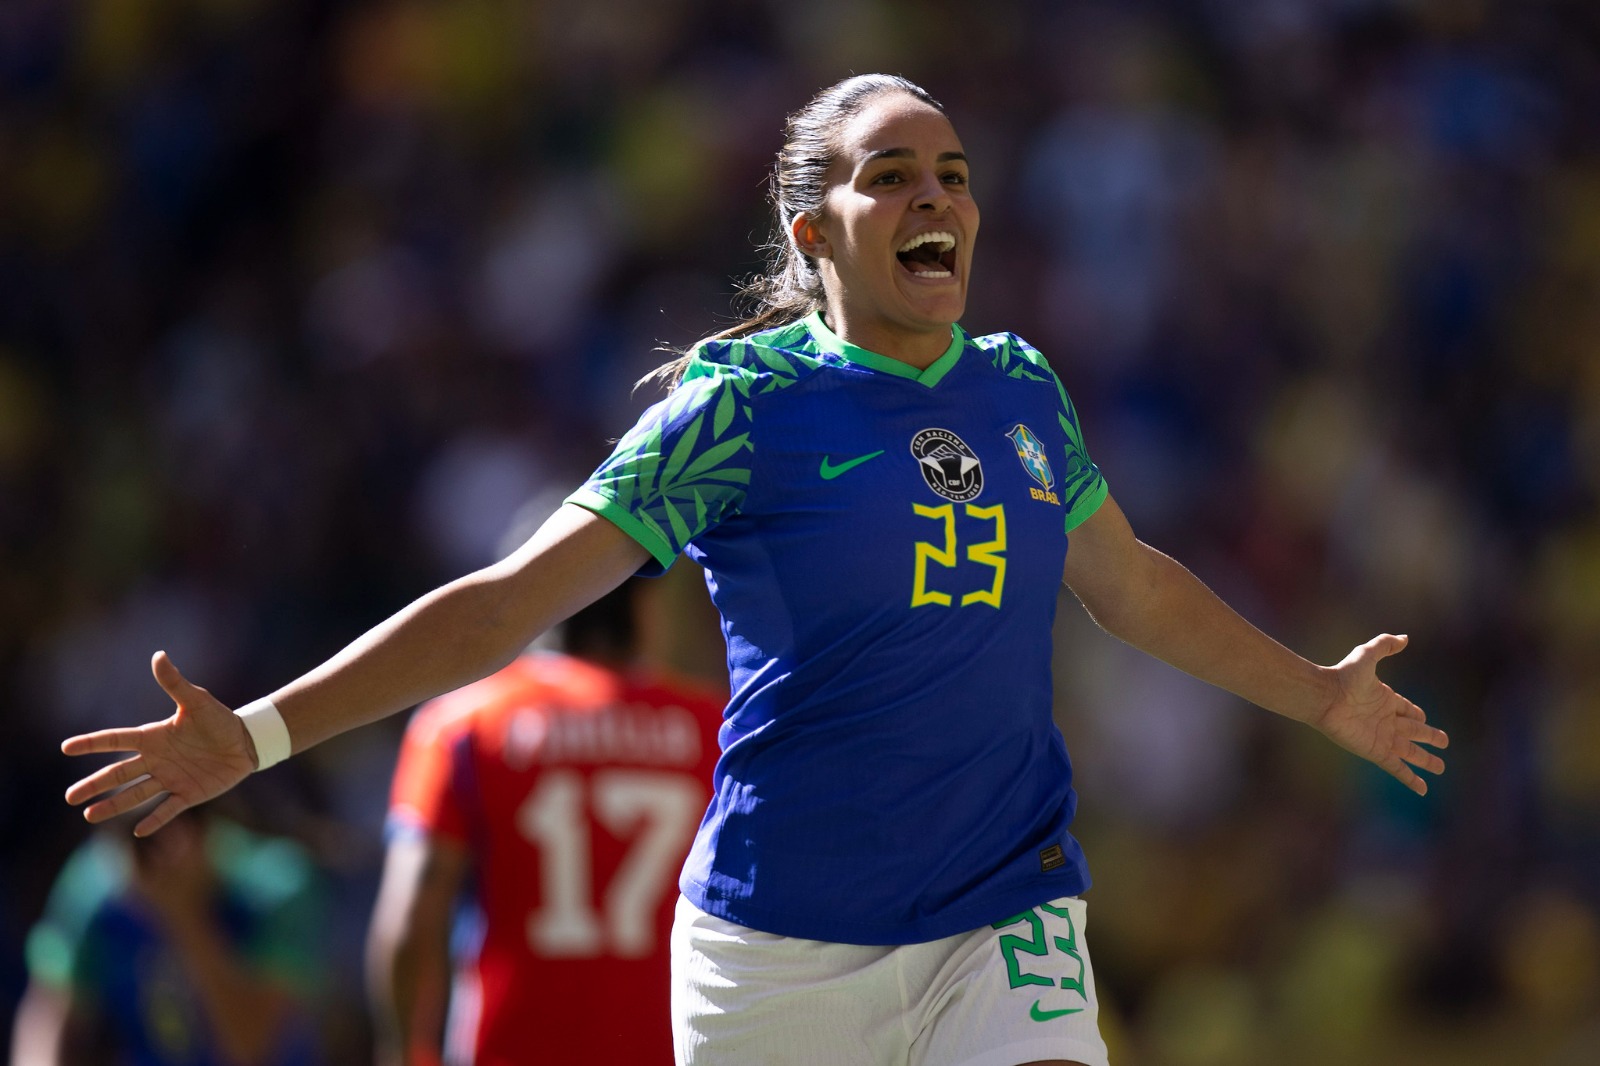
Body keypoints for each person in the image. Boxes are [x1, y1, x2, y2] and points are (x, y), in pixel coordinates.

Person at [62, 73, 1449, 1066]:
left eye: (954, 175)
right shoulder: (736, 412)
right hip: (776, 954)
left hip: (1004, 911)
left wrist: (1317, 692)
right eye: (891, 174)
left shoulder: (1023, 392)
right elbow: (506, 604)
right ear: (812, 230)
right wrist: (254, 735)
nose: (936, 198)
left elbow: (1132, 583)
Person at [366, 575, 725, 1065]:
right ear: (645, 607)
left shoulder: (463, 724)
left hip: (509, 1045)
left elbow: (409, 920)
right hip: (668, 1047)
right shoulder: (714, 729)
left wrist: (405, 1053)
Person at [10, 807, 330, 1066]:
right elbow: (50, 1012)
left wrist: (183, 915)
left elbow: (251, 1050)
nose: (155, 857)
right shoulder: (98, 883)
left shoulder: (273, 885)